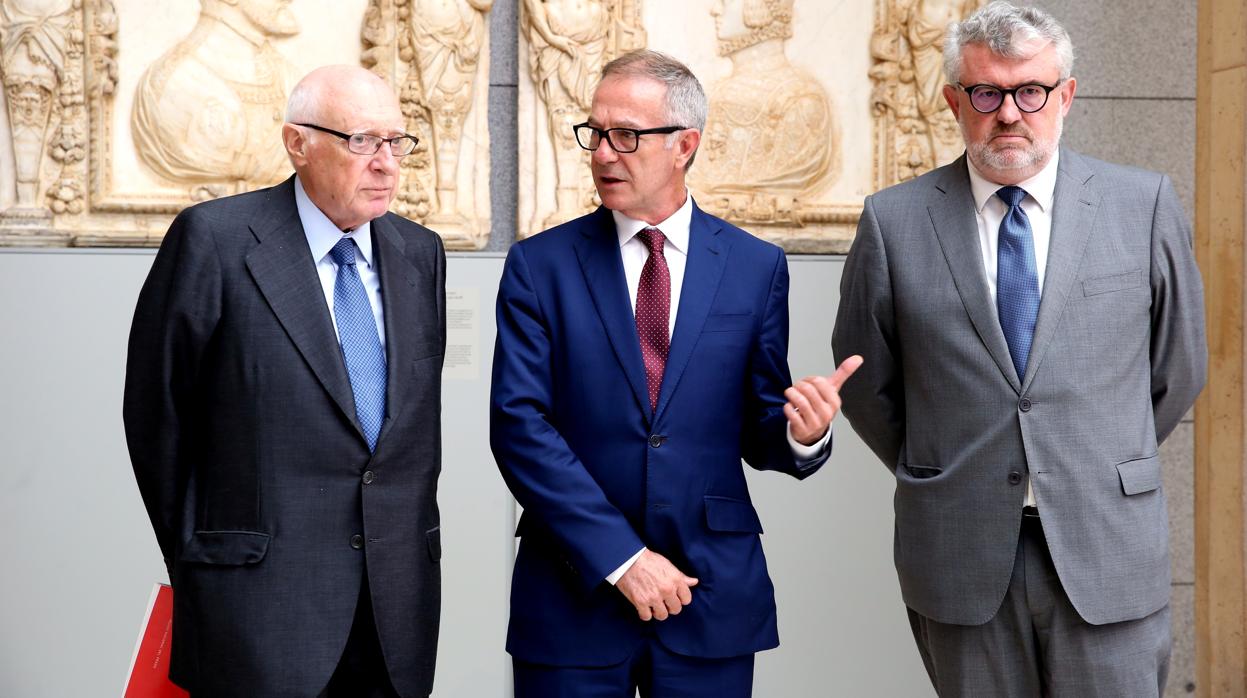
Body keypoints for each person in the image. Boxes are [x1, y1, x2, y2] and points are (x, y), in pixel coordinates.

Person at [832, 2, 1206, 696]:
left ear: (1064, 95)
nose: (1009, 113)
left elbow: (1177, 366)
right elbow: (865, 384)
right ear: (953, 101)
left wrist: (1091, 450)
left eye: (1030, 90)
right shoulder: (894, 221)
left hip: (1105, 541)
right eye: (986, 93)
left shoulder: (1141, 203)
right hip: (958, 546)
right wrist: (943, 464)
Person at [490, 49, 862, 697]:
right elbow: (520, 427)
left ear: (685, 145)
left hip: (709, 594)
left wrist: (802, 433)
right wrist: (624, 559)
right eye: (595, 133)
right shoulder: (538, 266)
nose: (603, 152)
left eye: (626, 135)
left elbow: (758, 425)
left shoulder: (755, 267)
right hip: (572, 590)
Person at [123, 65, 446, 698]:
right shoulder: (214, 240)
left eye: (397, 141)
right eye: (362, 141)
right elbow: (156, 416)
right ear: (298, 143)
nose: (386, 164)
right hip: (255, 608)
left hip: (394, 611)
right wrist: (201, 556)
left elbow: (406, 438)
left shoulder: (420, 252)